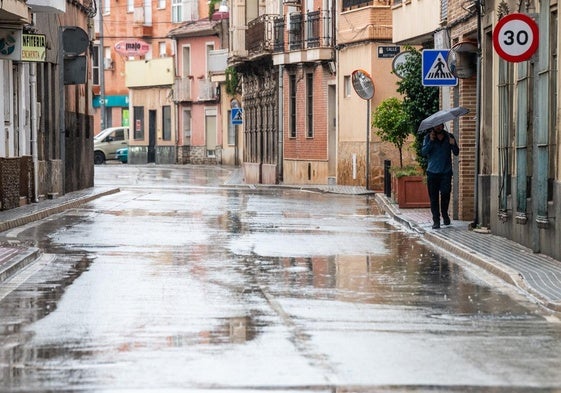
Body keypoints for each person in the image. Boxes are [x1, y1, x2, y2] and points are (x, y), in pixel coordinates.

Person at [421, 123, 460, 229]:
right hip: (432, 172)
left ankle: (444, 214)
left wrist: (453, 144)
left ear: (443, 126)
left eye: (440, 125)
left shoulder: (449, 136)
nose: (438, 127)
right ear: (433, 127)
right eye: (436, 125)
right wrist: (431, 141)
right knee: (433, 198)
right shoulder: (428, 137)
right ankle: (436, 220)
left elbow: (456, 152)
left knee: (446, 194)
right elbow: (424, 152)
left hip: (446, 172)